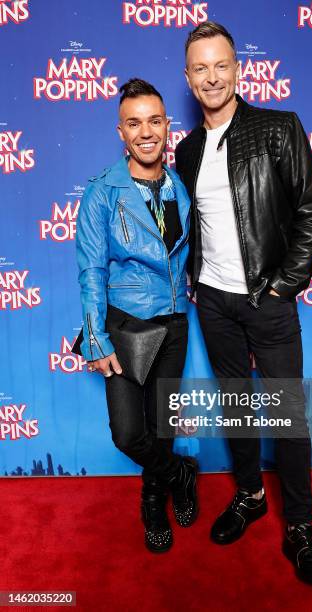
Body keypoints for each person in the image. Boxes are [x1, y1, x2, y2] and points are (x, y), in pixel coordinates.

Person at [175, 22, 312, 586]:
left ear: (238, 69)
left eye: (221, 65)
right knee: (237, 409)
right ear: (189, 80)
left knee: (289, 419)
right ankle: (249, 495)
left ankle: (301, 528)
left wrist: (280, 288)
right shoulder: (188, 149)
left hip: (268, 302)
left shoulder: (277, 128)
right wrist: (197, 281)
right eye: (200, 68)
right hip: (214, 303)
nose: (212, 76)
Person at [75, 78, 198, 553]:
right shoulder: (102, 193)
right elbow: (90, 270)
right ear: (120, 132)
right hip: (125, 324)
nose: (146, 132)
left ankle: (153, 500)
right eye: (134, 123)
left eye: (154, 121)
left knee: (162, 428)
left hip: (175, 323)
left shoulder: (179, 186)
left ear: (167, 126)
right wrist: (96, 338)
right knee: (129, 433)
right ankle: (181, 474)